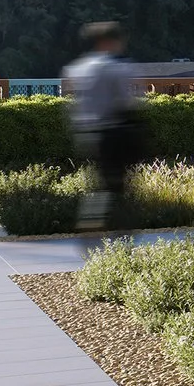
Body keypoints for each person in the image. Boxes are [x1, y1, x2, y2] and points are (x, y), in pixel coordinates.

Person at [63, 21, 142, 230]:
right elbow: (127, 102)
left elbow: (71, 92)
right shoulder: (117, 68)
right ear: (109, 41)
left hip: (87, 133)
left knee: (103, 181)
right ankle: (115, 230)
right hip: (113, 132)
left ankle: (92, 224)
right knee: (116, 184)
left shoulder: (79, 67)